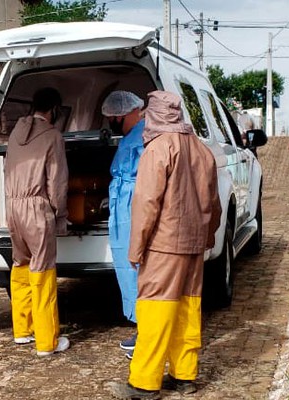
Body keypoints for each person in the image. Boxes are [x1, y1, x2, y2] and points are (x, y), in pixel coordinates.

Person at [109, 91, 222, 399]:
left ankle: (144, 382)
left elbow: (146, 204)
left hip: (163, 245)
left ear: (155, 115)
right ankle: (185, 376)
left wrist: (135, 248)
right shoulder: (201, 150)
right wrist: (207, 237)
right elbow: (214, 203)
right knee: (188, 308)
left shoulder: (158, 149)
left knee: (154, 311)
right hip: (194, 245)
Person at [5, 87, 70, 356]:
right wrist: (60, 214)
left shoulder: (14, 134)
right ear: (54, 109)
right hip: (36, 207)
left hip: (12, 207)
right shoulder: (53, 136)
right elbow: (56, 180)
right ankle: (47, 342)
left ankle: (22, 330)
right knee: (43, 272)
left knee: (20, 266)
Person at [101, 90, 145, 359]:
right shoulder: (130, 138)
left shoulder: (143, 139)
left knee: (136, 269)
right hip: (123, 209)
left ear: (127, 112)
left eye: (114, 115)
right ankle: (140, 326)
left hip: (133, 209)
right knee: (127, 269)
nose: (111, 120)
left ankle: (145, 330)